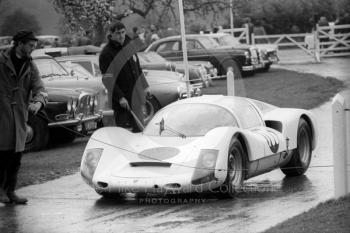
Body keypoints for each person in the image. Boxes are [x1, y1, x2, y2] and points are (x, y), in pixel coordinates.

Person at [0, 30, 48, 204]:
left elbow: (40, 88)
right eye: (30, 45)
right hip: (2, 115)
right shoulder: (2, 60)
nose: (32, 49)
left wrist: (38, 102)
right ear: (19, 43)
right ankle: (2, 191)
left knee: (16, 158)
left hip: (20, 117)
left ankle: (11, 191)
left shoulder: (30, 65)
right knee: (3, 156)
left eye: (35, 46)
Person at [99, 21, 150, 132]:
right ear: (111, 34)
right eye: (118, 33)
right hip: (121, 102)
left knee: (140, 129)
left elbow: (137, 68)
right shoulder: (106, 53)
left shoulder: (129, 46)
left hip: (136, 96)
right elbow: (107, 79)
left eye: (123, 32)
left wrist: (145, 86)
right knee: (122, 133)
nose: (121, 35)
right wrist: (120, 97)